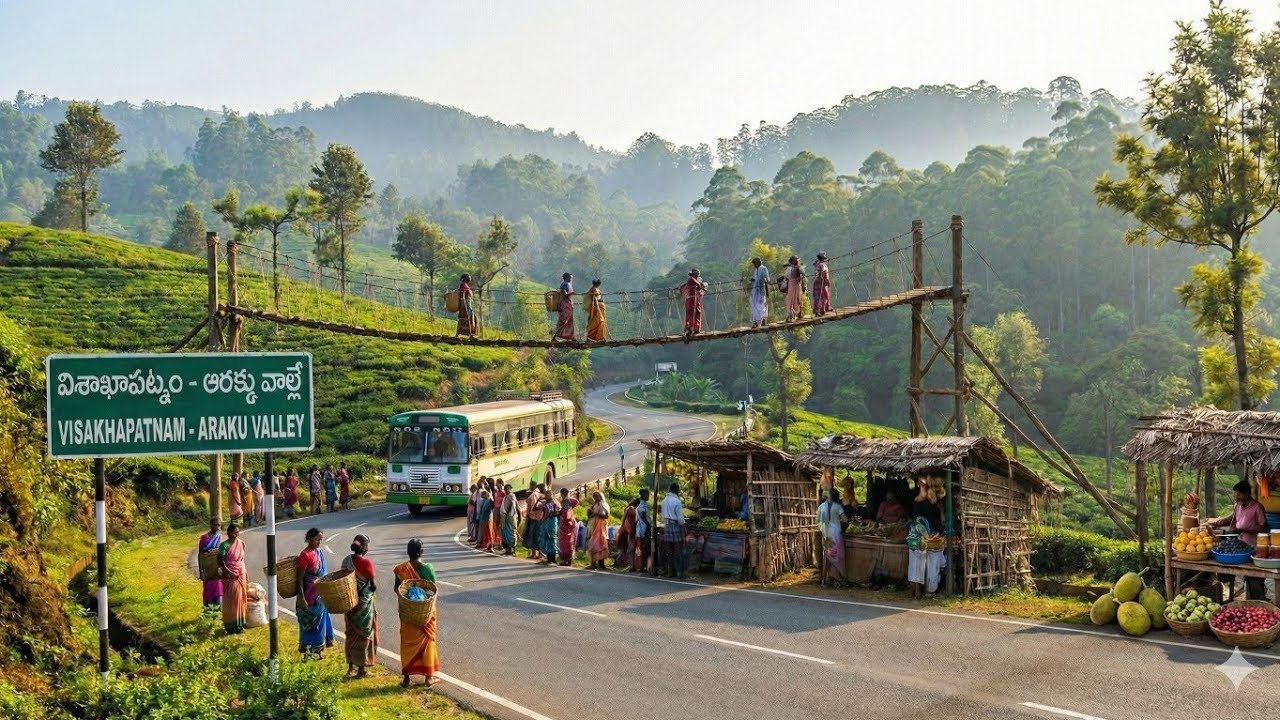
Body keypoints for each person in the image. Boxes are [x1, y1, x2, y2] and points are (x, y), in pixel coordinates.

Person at [393, 539, 440, 688]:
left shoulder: (401, 569)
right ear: (421, 552)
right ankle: (429, 678)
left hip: (407, 612)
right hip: (425, 613)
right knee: (428, 642)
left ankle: (406, 678)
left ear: (408, 552)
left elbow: (397, 588)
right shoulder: (428, 569)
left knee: (407, 643)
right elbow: (433, 589)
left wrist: (409, 596)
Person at [1212, 480, 1269, 598]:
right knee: (1226, 574)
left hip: (1253, 548)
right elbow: (1233, 519)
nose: (1236, 497)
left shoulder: (1257, 507)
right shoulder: (1238, 506)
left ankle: (1256, 603)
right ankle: (1226, 599)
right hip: (1238, 546)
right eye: (1235, 494)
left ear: (1247, 494)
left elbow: (1263, 528)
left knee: (1253, 578)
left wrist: (1244, 530)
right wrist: (1222, 522)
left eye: (1238, 494)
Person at [341, 534, 379, 678]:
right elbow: (373, 585)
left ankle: (350, 666)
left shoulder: (346, 561)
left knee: (350, 633)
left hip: (349, 603)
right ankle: (361, 669)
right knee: (364, 634)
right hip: (363, 604)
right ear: (364, 547)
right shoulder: (366, 563)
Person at [297, 528, 335, 657]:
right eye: (317, 539)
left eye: (320, 540)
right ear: (309, 539)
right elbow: (300, 578)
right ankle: (308, 652)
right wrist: (301, 597)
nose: (319, 542)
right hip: (309, 596)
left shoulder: (319, 552)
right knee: (309, 625)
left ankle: (318, 650)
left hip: (320, 595)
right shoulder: (305, 555)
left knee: (320, 623)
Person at [218, 523, 247, 634]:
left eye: (237, 533)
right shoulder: (224, 546)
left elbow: (242, 560)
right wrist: (229, 572)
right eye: (234, 533)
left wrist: (245, 572)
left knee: (241, 599)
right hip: (230, 576)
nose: (236, 535)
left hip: (241, 574)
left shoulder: (241, 544)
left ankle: (240, 624)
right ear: (229, 533)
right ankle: (230, 626)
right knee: (231, 601)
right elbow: (221, 562)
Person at [818, 489, 847, 587]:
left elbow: (819, 522)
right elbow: (844, 519)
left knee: (827, 556)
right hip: (836, 535)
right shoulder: (838, 507)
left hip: (826, 534)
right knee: (837, 556)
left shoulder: (821, 507)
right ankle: (836, 578)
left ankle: (825, 579)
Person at [661, 482, 686, 579]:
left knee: (669, 551)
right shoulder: (677, 501)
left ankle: (670, 572)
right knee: (678, 550)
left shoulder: (664, 501)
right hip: (675, 525)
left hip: (667, 525)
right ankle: (680, 572)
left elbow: (663, 515)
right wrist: (683, 529)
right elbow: (680, 519)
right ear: (676, 490)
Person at [198, 520, 224, 612]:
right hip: (207, 569)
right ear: (211, 525)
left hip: (216, 569)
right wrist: (201, 571)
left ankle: (217, 612)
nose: (217, 527)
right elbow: (200, 555)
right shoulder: (204, 538)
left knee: (218, 590)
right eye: (215, 525)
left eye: (219, 525)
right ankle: (208, 612)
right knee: (208, 590)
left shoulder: (219, 537)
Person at [586, 491, 610, 570]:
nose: (596, 498)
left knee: (600, 544)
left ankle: (601, 564)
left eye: (597, 496)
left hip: (600, 527)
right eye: (594, 496)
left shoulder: (603, 504)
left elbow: (606, 515)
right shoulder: (595, 505)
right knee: (593, 544)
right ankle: (593, 563)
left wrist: (596, 514)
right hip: (593, 526)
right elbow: (590, 515)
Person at [682, 269, 708, 339]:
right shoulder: (691, 279)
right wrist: (701, 286)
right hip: (691, 299)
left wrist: (701, 286)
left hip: (695, 299)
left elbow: (698, 285)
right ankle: (689, 328)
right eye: (697, 275)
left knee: (697, 313)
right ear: (695, 274)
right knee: (691, 313)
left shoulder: (693, 279)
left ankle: (696, 328)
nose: (697, 277)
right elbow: (698, 285)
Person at [558, 489, 579, 566]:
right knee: (570, 541)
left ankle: (566, 559)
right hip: (570, 523)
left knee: (564, 542)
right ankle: (569, 559)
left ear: (562, 494)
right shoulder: (570, 501)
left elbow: (565, 513)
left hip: (566, 524)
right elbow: (577, 502)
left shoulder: (566, 502)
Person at [615, 498, 638, 569]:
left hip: (626, 530)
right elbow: (633, 520)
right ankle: (631, 565)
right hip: (629, 530)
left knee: (625, 548)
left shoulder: (628, 509)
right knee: (631, 548)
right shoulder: (631, 509)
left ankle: (627, 564)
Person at [540, 491, 561, 565]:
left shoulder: (555, 503)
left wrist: (542, 520)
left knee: (552, 539)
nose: (547, 496)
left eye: (549, 495)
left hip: (552, 521)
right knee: (547, 539)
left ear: (552, 495)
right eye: (546, 495)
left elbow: (552, 513)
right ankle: (549, 558)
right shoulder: (546, 503)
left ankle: (553, 559)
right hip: (547, 522)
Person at [524, 484, 545, 559]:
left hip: (534, 517)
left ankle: (537, 554)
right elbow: (534, 506)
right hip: (536, 517)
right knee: (535, 535)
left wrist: (529, 514)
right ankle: (536, 554)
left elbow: (534, 506)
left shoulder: (534, 494)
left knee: (534, 535)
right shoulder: (537, 494)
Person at [554, 272, 576, 342]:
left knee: (570, 320)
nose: (570, 278)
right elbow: (563, 293)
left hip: (568, 304)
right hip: (564, 305)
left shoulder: (569, 284)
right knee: (564, 321)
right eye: (569, 277)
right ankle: (555, 336)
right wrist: (571, 293)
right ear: (566, 277)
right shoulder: (564, 284)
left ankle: (571, 337)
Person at [783, 255, 806, 321]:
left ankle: (797, 314)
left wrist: (804, 285)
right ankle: (790, 314)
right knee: (790, 300)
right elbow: (786, 278)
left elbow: (803, 276)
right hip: (790, 285)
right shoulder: (789, 268)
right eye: (795, 260)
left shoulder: (798, 268)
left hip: (797, 285)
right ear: (792, 261)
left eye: (797, 260)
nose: (796, 261)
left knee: (797, 299)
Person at [749, 257, 770, 328]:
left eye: (754, 263)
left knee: (760, 305)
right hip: (755, 290)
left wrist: (764, 281)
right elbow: (756, 279)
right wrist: (754, 280)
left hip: (761, 290)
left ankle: (760, 320)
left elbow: (767, 279)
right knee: (754, 305)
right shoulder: (756, 270)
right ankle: (756, 321)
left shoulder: (763, 269)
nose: (754, 265)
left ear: (758, 262)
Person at [635, 488, 652, 573]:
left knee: (644, 548)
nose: (648, 496)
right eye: (646, 494)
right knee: (645, 549)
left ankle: (643, 566)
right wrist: (649, 525)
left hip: (641, 529)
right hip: (643, 529)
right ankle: (642, 566)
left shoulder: (644, 504)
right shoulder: (642, 506)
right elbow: (643, 516)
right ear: (642, 495)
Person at [500, 483, 519, 555]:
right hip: (505, 518)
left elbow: (513, 507)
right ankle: (508, 549)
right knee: (505, 533)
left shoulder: (511, 496)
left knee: (511, 533)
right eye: (505, 489)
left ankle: (512, 549)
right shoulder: (506, 497)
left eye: (508, 488)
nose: (506, 490)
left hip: (511, 518)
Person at [456, 273, 477, 338]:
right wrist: (463, 304)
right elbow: (463, 294)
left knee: (466, 319)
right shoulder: (464, 285)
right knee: (469, 319)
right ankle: (470, 334)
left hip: (466, 304)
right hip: (465, 305)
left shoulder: (464, 285)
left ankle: (466, 334)